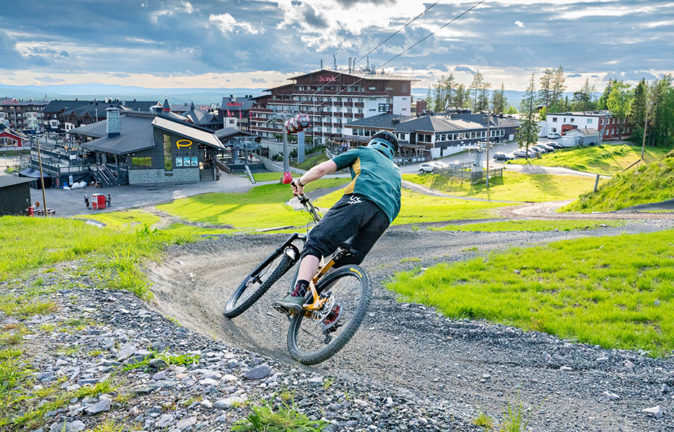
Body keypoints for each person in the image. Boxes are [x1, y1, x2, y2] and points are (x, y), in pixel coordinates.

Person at [273, 130, 402, 316]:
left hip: (360, 200)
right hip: (385, 216)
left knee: (317, 241)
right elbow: (396, 203)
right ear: (392, 152)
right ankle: (317, 301)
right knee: (345, 258)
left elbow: (322, 169)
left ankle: (297, 294)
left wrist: (300, 181)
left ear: (372, 143)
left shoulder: (363, 153)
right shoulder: (396, 171)